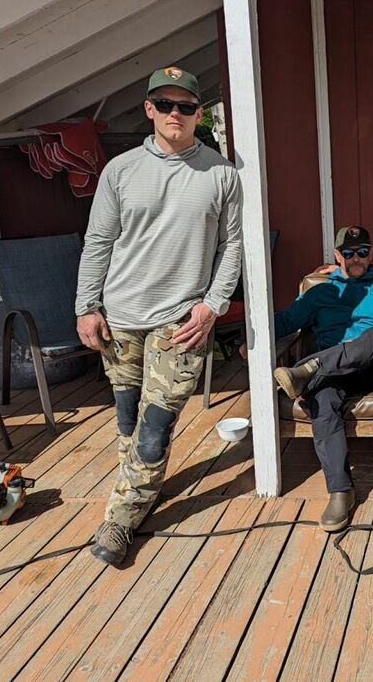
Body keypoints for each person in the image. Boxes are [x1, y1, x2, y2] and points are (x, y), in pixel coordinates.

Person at [76, 66, 243, 566]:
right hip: (121, 318)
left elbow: (231, 245)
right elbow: (99, 242)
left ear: (199, 112)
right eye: (165, 104)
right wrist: (87, 305)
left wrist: (213, 303)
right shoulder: (121, 171)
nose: (176, 114)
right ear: (149, 109)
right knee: (128, 421)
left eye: (186, 106)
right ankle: (142, 492)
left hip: (180, 323)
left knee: (154, 426)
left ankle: (120, 520)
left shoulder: (221, 174)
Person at [268, 225, 373, 531]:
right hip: (336, 375)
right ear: (337, 255)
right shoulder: (320, 292)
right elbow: (284, 321)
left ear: (372, 253)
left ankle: (310, 369)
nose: (356, 258)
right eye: (348, 253)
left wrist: (350, 351)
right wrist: (247, 337)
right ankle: (340, 491)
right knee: (321, 397)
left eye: (362, 252)